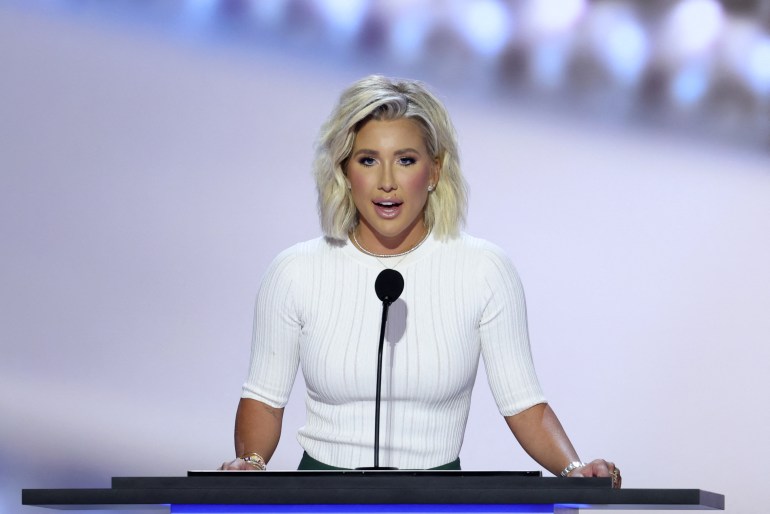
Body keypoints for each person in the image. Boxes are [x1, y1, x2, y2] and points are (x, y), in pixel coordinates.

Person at [220, 75, 621, 487]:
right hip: (322, 496)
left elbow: (524, 407)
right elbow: (264, 400)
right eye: (368, 160)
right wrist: (251, 461)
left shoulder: (483, 269)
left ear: (434, 171)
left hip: (438, 498)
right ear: (344, 170)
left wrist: (575, 470)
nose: (387, 181)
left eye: (406, 160)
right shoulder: (294, 271)